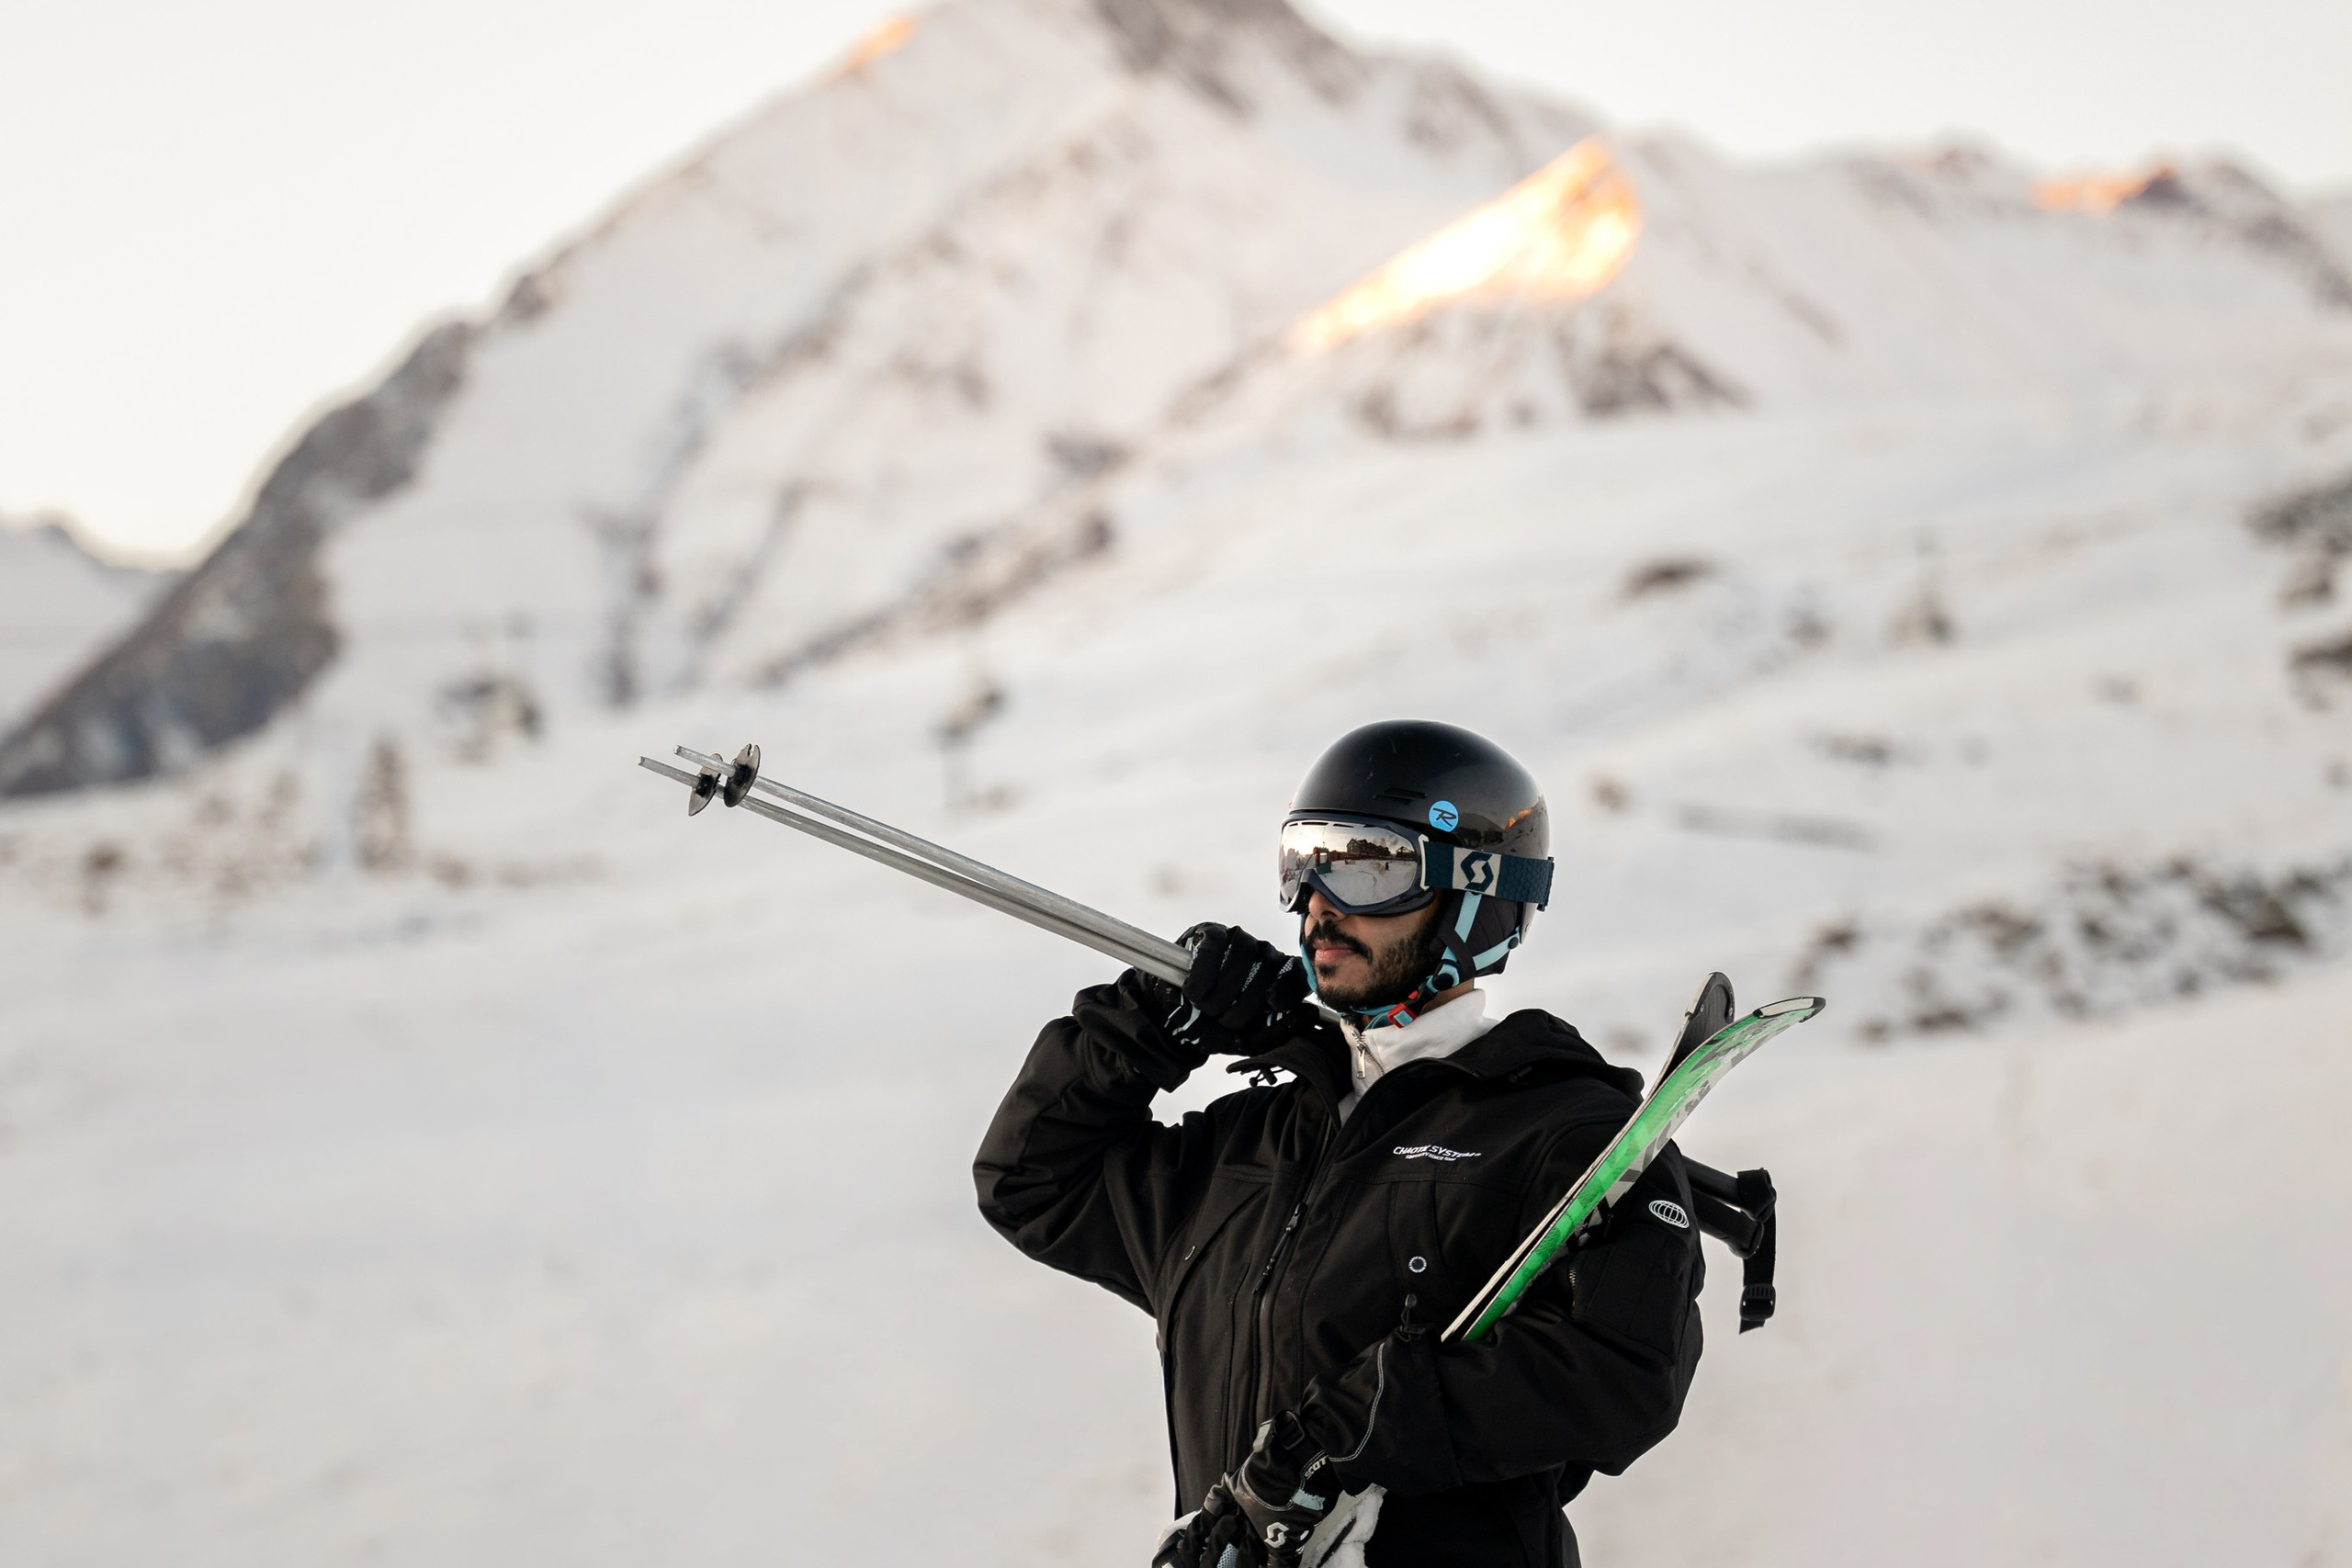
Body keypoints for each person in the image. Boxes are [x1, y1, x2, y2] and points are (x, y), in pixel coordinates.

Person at [974, 720, 1705, 1568]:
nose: (1319, 901)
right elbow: (1032, 1179)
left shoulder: (1560, 1134)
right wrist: (1153, 1022)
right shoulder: (1259, 1141)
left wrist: (1358, 1426)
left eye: (1367, 866)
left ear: (1475, 895)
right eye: (1305, 861)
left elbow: (1626, 1369)